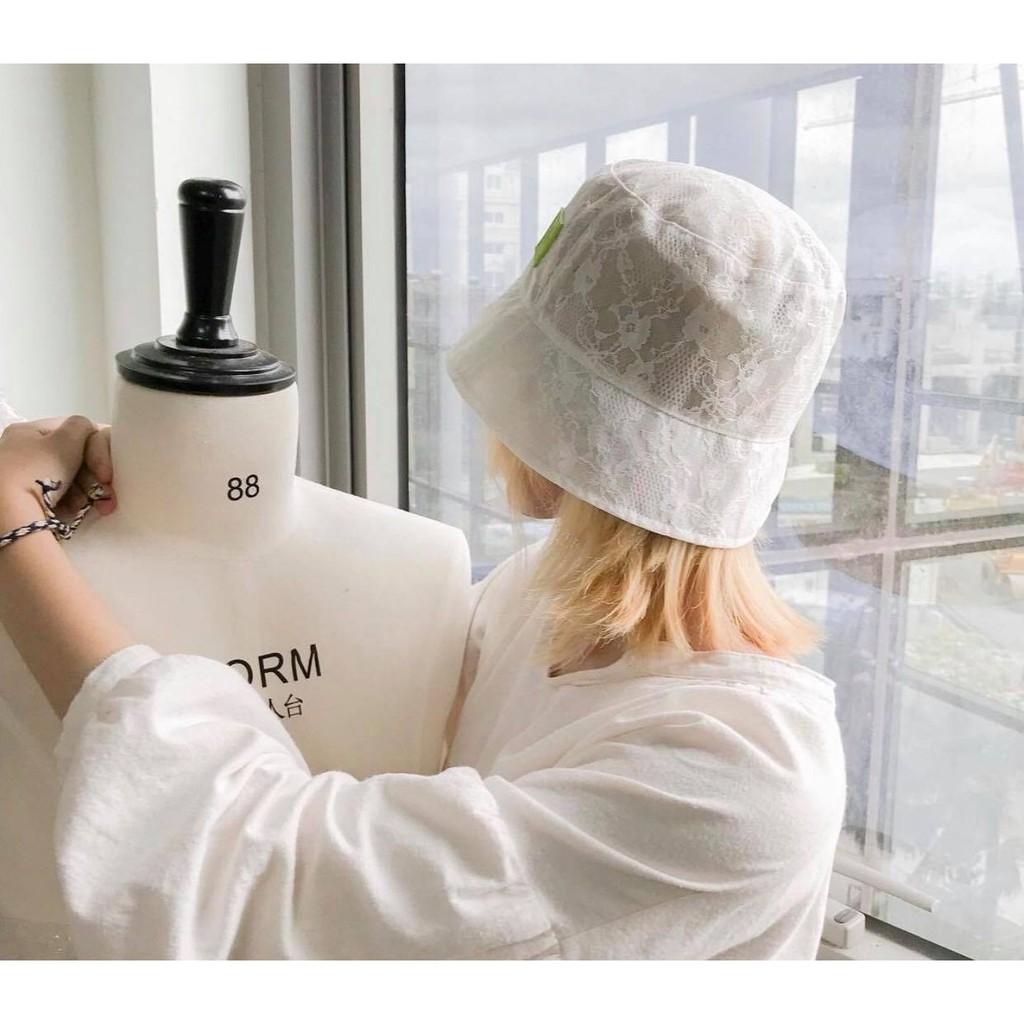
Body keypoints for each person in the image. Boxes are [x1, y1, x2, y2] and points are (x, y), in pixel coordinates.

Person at [0, 159, 848, 959]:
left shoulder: (744, 782)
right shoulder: (534, 605)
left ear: (557, 418)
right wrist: (168, 466)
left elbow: (269, 882)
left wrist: (12, 535)